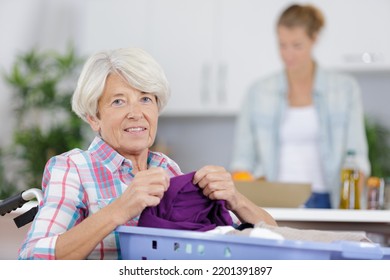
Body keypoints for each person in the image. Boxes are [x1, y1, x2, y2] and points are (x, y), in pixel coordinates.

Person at [18, 47, 276, 260]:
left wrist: (235, 199)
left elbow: (273, 237)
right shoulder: (73, 168)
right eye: (118, 101)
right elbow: (31, 260)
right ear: (94, 118)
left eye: (145, 99)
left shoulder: (168, 168)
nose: (136, 112)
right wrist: (119, 210)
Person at [230, 4, 370, 209]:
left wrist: (351, 209)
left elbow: (356, 158)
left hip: (328, 200)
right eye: (282, 45)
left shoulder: (344, 89)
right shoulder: (258, 92)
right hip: (273, 201)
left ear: (314, 39)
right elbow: (241, 161)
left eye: (297, 45)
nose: (288, 54)